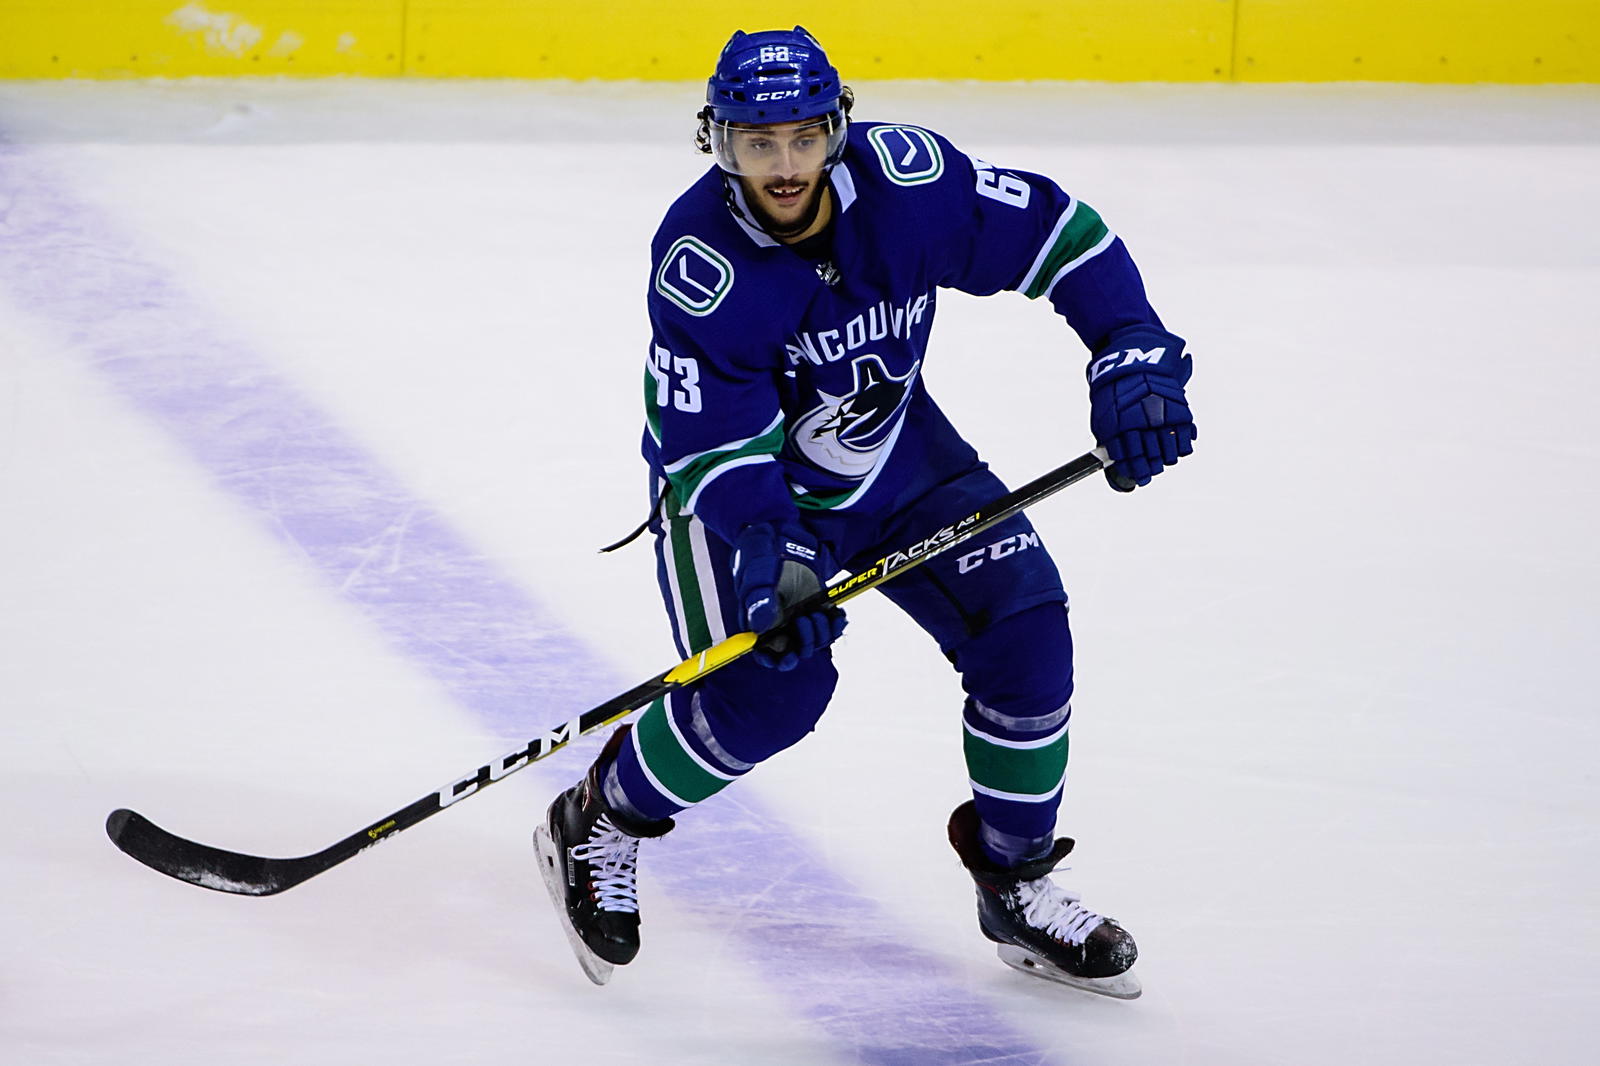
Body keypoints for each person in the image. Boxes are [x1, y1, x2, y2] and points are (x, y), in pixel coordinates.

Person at [534, 26, 1195, 998]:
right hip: (740, 498)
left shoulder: (912, 187)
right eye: (757, 144)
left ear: (837, 129)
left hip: (897, 458)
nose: (785, 166)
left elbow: (1065, 238)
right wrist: (772, 548)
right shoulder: (701, 264)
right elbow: (708, 441)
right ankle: (600, 814)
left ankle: (1013, 880)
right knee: (770, 697)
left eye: (803, 138)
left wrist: (1130, 348)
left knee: (1025, 635)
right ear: (719, 143)